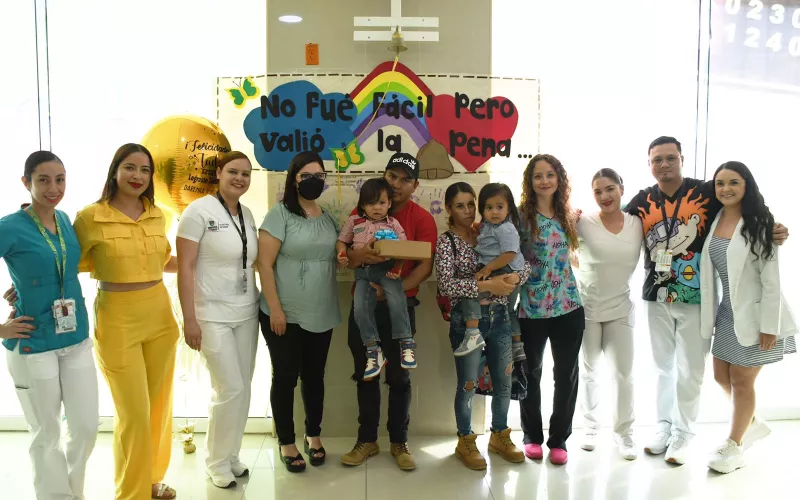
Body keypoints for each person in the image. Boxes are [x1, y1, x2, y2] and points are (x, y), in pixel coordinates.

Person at [624, 136, 789, 465]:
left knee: (691, 370)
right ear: (649, 164)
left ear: (682, 159)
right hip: (655, 294)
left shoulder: (707, 192)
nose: (664, 164)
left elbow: (743, 206)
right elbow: (614, 224)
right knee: (662, 367)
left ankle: (683, 434)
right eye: (657, 159)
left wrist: (773, 228)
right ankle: (663, 427)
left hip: (697, 297)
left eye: (671, 158)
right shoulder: (642, 200)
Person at [73, 143, 179, 499]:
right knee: (133, 413)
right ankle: (131, 493)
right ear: (115, 170)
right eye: (130, 168)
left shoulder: (158, 214)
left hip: (160, 314)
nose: (138, 176)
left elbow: (165, 261)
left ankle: (151, 480)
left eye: (145, 170)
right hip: (117, 318)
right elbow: (64, 263)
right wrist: (27, 286)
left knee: (159, 406)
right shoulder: (90, 217)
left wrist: (208, 260)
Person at [0, 151, 99, 500]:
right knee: (47, 433)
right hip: (33, 344)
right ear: (26, 183)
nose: (53, 188)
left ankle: (71, 492)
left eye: (60, 179)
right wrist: (0, 329)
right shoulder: (9, 227)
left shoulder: (65, 220)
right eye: (43, 180)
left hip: (75, 337)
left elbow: (55, 268)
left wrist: (24, 285)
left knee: (86, 426)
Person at [340, 152, 437, 471]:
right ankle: (367, 440)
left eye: (405, 180)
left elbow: (425, 266)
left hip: (400, 306)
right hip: (364, 306)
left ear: (415, 186)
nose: (396, 184)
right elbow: (345, 257)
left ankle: (399, 442)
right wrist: (360, 256)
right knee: (366, 374)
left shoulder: (422, 219)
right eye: (392, 176)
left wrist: (393, 289)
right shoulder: (360, 212)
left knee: (399, 377)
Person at [699, 161, 796, 474]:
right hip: (727, 312)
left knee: (742, 381)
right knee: (720, 376)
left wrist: (769, 326)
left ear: (746, 186)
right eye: (720, 183)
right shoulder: (715, 218)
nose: (726, 189)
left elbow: (772, 281)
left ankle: (734, 445)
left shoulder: (761, 224)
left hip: (757, 315)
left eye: (733, 182)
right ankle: (751, 420)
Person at [176, 151, 260, 488]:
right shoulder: (197, 212)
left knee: (244, 386)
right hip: (211, 314)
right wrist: (189, 319)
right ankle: (216, 462)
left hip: (246, 311)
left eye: (245, 174)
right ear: (218, 174)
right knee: (229, 388)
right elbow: (185, 267)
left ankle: (231, 455)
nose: (240, 178)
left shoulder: (247, 213)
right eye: (233, 172)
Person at [436, 181, 531, 470]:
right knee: (468, 383)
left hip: (501, 318)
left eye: (470, 204)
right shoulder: (447, 242)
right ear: (449, 209)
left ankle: (500, 435)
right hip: (468, 324)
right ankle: (465, 440)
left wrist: (517, 278)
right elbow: (446, 284)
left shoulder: (487, 231)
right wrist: (488, 285)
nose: (467, 211)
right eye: (460, 205)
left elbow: (522, 262)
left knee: (504, 380)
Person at [257, 151, 340, 473]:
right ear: (294, 179)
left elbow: (337, 254)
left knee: (315, 377)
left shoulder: (327, 216)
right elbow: (264, 264)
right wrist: (276, 310)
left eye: (319, 176)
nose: (314, 181)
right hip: (285, 313)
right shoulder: (279, 215)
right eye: (307, 176)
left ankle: (313, 435)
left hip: (321, 311)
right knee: (285, 377)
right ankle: (287, 442)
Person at [517, 153, 585, 466]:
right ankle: (532, 437)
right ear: (530, 182)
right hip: (532, 309)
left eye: (550, 175)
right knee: (530, 374)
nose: (544, 181)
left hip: (568, 306)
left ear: (559, 179)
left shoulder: (568, 214)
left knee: (566, 375)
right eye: (538, 176)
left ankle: (559, 440)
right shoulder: (520, 217)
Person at [574, 168, 642, 460]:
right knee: (589, 371)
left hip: (620, 309)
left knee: (623, 374)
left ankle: (624, 433)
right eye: (598, 191)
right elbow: (556, 246)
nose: (605, 196)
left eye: (610, 189)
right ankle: (590, 428)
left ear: (621, 189)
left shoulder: (638, 223)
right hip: (587, 309)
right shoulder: (583, 222)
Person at [336, 177, 415, 380]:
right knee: (359, 309)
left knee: (397, 300)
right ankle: (373, 349)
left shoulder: (393, 224)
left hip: (386, 270)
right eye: (371, 203)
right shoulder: (354, 221)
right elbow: (342, 241)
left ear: (389, 203)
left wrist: (398, 268)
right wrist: (341, 254)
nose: (377, 207)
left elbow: (404, 249)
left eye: (381, 202)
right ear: (362, 205)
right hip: (363, 273)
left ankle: (406, 342)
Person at [454, 183, 526, 362]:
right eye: (489, 208)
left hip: (505, 267)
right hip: (499, 267)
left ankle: (473, 334)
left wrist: (488, 268)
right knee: (506, 309)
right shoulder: (488, 225)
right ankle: (516, 345)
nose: (494, 212)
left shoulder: (506, 228)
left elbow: (509, 254)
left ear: (509, 209)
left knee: (473, 291)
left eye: (499, 207)